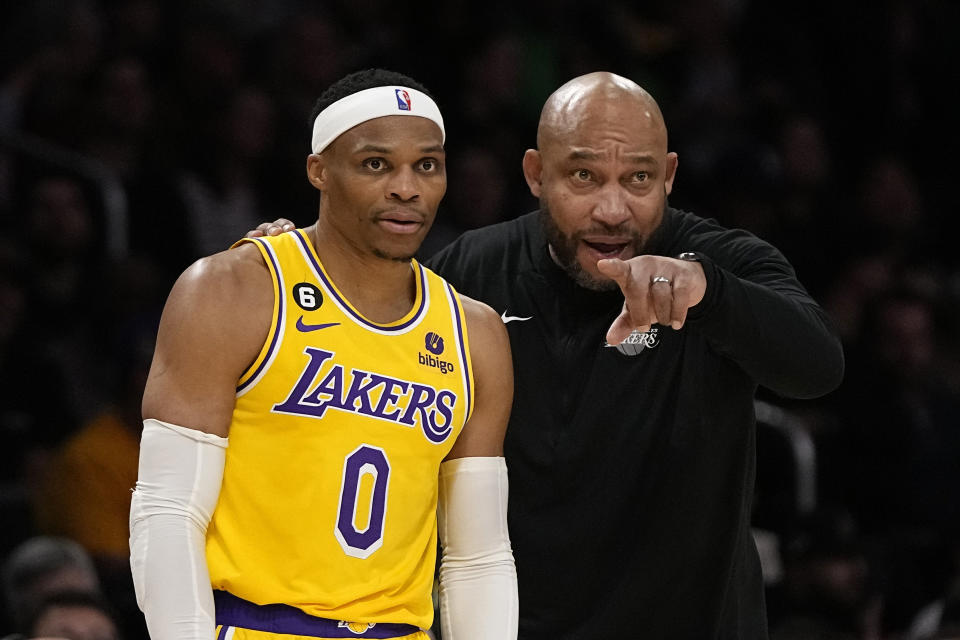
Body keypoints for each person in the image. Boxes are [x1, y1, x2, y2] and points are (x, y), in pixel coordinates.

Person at [254, 70, 844, 638]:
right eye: (584, 177)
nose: (612, 210)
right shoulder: (472, 269)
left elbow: (818, 366)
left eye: (637, 180)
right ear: (536, 174)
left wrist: (708, 292)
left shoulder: (724, 264)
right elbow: (358, 365)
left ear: (668, 176)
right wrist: (291, 272)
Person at [129, 69, 518, 640]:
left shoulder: (474, 333)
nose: (406, 188)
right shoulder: (234, 289)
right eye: (376, 164)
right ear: (319, 170)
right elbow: (166, 512)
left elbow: (477, 558)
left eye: (426, 166)